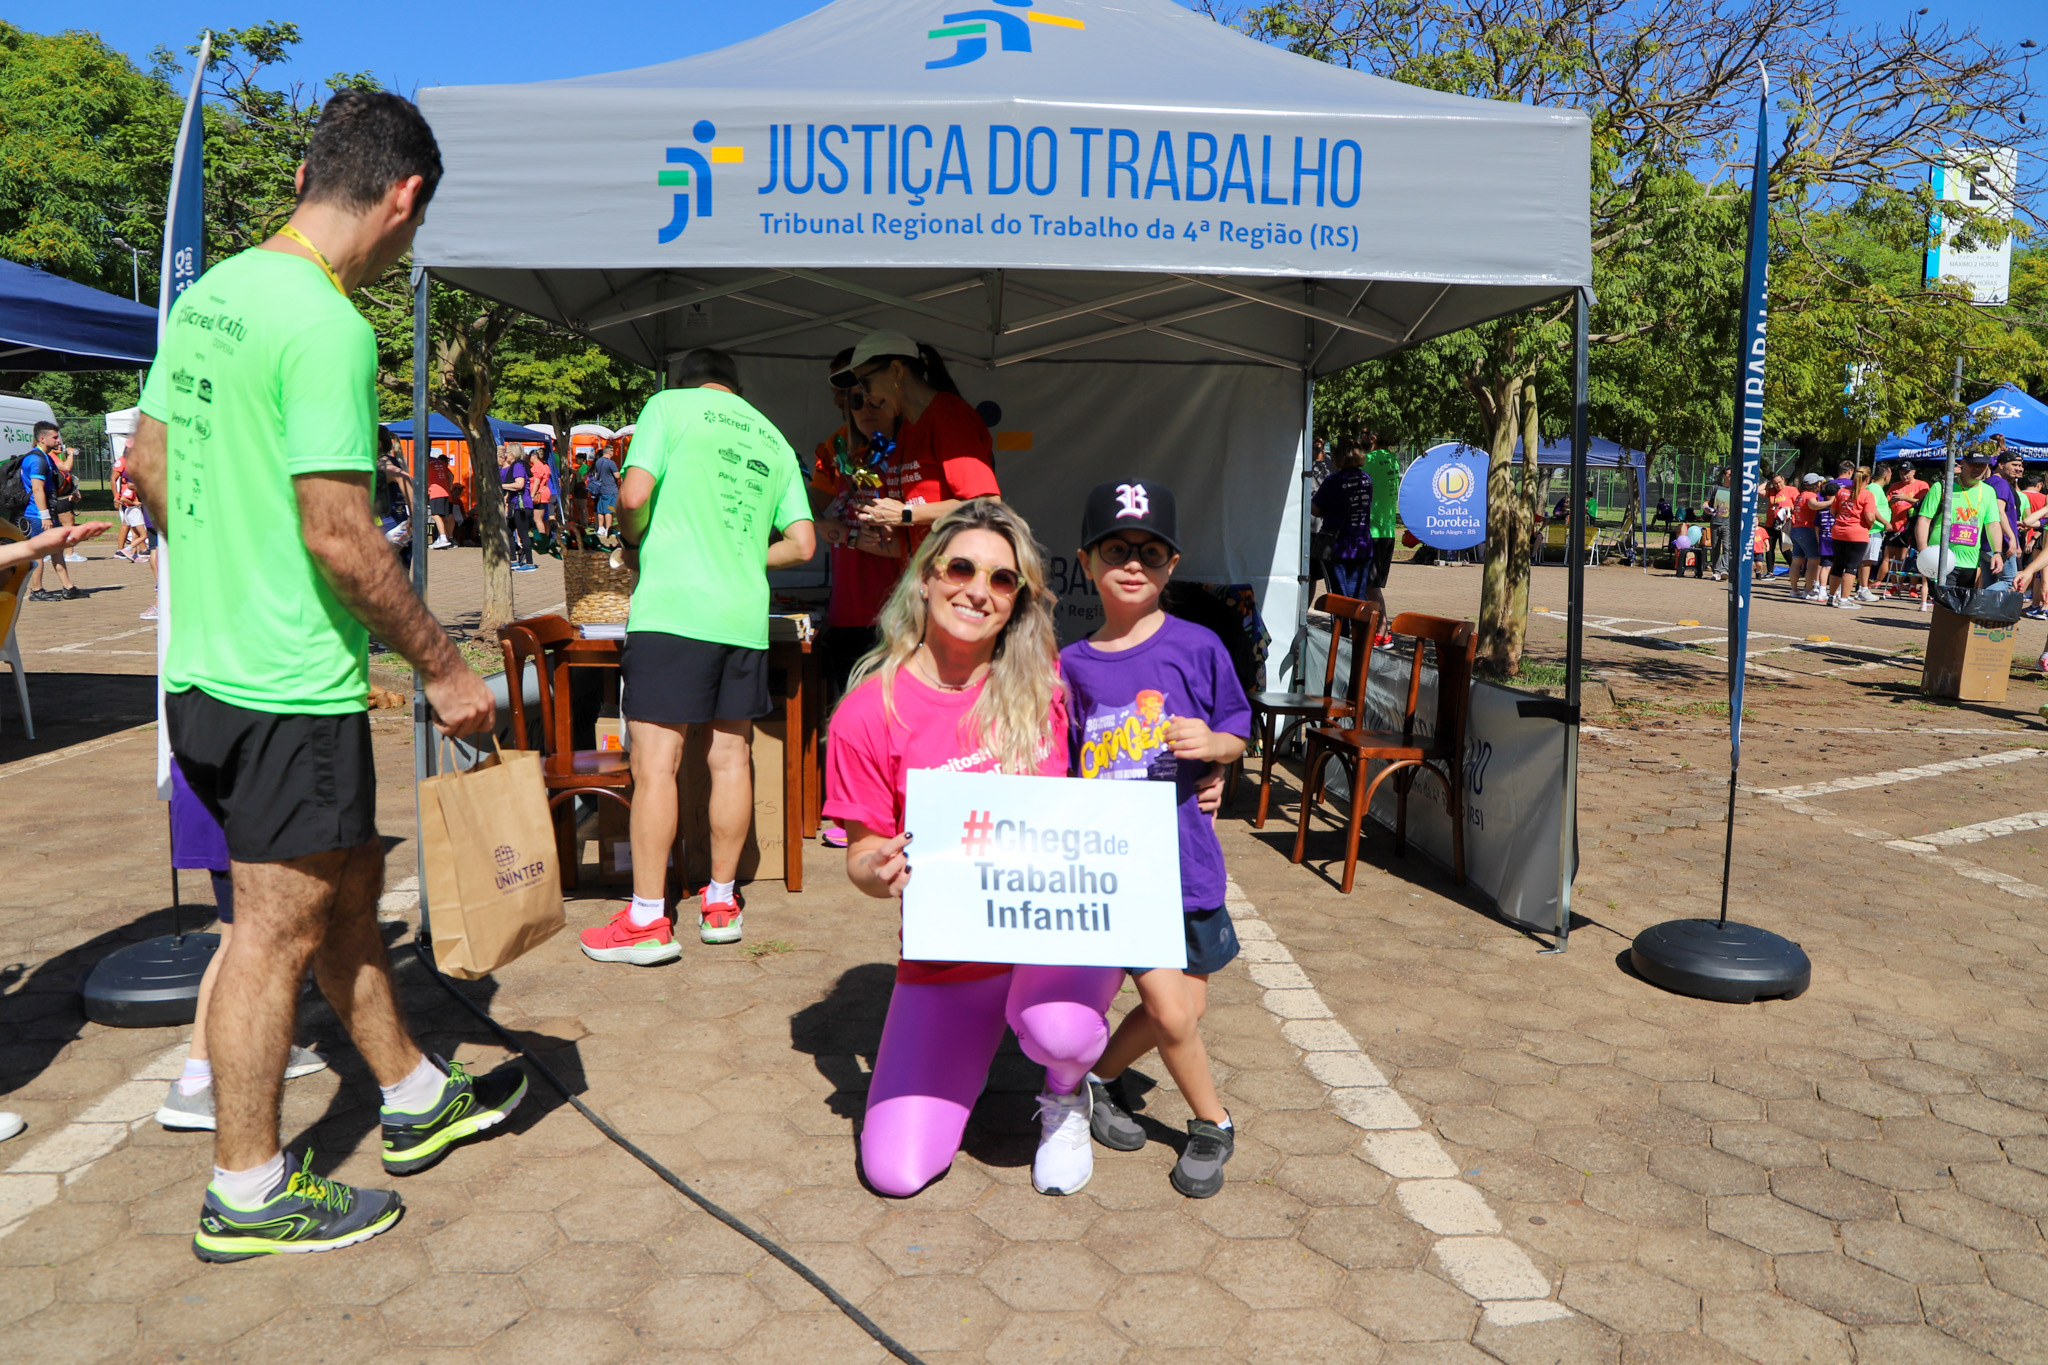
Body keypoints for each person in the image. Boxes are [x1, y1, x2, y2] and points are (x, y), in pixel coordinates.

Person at [126, 88, 517, 1265]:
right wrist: (444, 667)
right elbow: (341, 536)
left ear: (307, 174)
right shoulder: (329, 325)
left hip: (205, 672)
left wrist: (227, 568)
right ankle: (246, 1190)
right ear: (405, 196)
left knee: (345, 890)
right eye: (417, 222)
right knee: (272, 932)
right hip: (286, 686)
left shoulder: (213, 295)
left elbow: (147, 465)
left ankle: (410, 1093)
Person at [825, 498, 1124, 1197]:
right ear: (926, 577)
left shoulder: (1048, 688)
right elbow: (861, 855)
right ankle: (974, 1050)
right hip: (948, 956)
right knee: (895, 1172)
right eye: (961, 568)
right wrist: (875, 870)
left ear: (1017, 600)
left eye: (1002, 579)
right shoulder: (868, 710)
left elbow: (1132, 753)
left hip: (1053, 938)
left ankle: (1064, 1094)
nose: (978, 590)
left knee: (1061, 1032)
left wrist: (1206, 772)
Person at [577, 348, 816, 962]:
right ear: (735, 388)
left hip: (674, 610)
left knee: (656, 763)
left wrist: (635, 540)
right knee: (731, 759)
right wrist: (744, 557)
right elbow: (802, 543)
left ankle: (647, 920)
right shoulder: (773, 436)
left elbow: (634, 496)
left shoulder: (668, 405)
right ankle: (721, 904)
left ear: (684, 381)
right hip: (742, 616)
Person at [1060, 480, 1251, 1199]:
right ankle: (1213, 1123)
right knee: (1171, 1011)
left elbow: (1236, 730)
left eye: (1150, 550)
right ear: (1086, 562)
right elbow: (1059, 766)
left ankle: (1097, 1079)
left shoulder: (1199, 646)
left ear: (1173, 563)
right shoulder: (1071, 665)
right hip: (1123, 875)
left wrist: (1217, 750)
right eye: (1116, 549)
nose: (1133, 563)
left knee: (1186, 1011)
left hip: (1190, 864)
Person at [154, 765, 330, 1130]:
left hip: (242, 805)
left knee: (271, 938)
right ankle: (195, 1083)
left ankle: (264, 1048)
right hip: (235, 808)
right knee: (240, 943)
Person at [834, 329, 1001, 550]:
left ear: (896, 370)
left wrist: (905, 514)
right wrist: (884, 522)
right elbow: (916, 512)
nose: (866, 398)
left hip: (956, 565)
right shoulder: (907, 428)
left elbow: (986, 504)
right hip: (924, 567)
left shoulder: (949, 416)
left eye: (865, 384)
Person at [1914, 447, 2007, 601]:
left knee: (1962, 607)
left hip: (1970, 562)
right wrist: (1923, 551)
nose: (1978, 469)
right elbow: (1924, 519)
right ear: (1963, 463)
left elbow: (1993, 524)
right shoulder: (1942, 487)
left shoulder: (1989, 491)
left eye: (1982, 465)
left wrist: (1997, 552)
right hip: (1942, 560)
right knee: (1945, 605)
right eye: (1973, 464)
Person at [21, 421, 83, 601]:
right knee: (39, 553)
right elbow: (37, 489)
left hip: (48, 511)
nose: (58, 441)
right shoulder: (36, 460)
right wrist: (44, 516)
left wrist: (73, 490)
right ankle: (37, 590)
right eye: (55, 437)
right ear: (42, 438)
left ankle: (68, 587)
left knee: (57, 549)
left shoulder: (46, 457)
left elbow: (59, 476)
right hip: (37, 515)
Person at [1312, 443, 1376, 601]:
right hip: (1362, 544)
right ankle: (1358, 618)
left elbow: (1314, 509)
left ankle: (1343, 619)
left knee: (1339, 598)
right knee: (1357, 597)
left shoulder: (1334, 480)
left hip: (1338, 546)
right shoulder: (1366, 479)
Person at [1359, 433, 1403, 630]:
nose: (1361, 436)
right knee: (1372, 586)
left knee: (1370, 587)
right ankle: (1377, 630)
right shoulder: (1392, 459)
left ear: (1373, 437)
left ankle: (1382, 631)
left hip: (1373, 532)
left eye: (1364, 432)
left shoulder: (1368, 460)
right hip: (1388, 532)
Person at [1823, 466, 1879, 609]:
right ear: (1868, 479)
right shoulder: (1867, 495)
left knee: (1838, 564)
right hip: (1857, 533)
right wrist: (1868, 525)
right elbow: (1869, 516)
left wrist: (1843, 520)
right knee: (1851, 567)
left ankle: (1832, 596)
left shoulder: (1842, 491)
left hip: (1839, 531)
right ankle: (1844, 599)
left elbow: (1833, 510)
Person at [1786, 472, 1825, 599]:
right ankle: (1808, 591)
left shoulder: (1800, 495)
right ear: (1815, 484)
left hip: (1796, 529)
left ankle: (1794, 590)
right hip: (1807, 530)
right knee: (1814, 561)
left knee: (1796, 560)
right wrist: (1831, 502)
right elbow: (1814, 505)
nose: (1821, 484)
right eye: (1819, 482)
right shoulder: (1810, 495)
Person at [497, 446, 534, 572]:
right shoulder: (516, 466)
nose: (505, 455)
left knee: (523, 533)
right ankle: (513, 560)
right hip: (515, 503)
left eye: (507, 452)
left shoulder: (518, 465)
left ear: (513, 453)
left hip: (522, 504)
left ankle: (530, 563)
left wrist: (500, 485)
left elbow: (519, 484)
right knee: (508, 530)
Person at [114, 449, 149, 561]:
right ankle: (127, 549)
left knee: (135, 534)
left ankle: (135, 555)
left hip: (131, 511)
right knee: (143, 535)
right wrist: (135, 503)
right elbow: (124, 498)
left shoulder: (129, 487)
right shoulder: (130, 488)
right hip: (133, 511)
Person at [588, 441, 620, 544]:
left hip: (601, 489)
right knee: (609, 510)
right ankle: (608, 528)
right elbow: (617, 476)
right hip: (611, 489)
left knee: (600, 509)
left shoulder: (598, 462)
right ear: (610, 452)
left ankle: (600, 527)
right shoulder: (611, 463)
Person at [426, 447, 456, 549]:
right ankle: (444, 537)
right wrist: (449, 487)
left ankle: (443, 538)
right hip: (445, 491)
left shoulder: (425, 462)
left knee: (435, 515)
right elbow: (451, 475)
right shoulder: (439, 463)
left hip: (435, 491)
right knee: (443, 516)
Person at [529, 448, 554, 552]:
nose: (529, 458)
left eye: (530, 456)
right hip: (545, 492)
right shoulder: (545, 466)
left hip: (539, 495)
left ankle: (542, 542)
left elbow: (536, 483)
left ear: (534, 456)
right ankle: (545, 538)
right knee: (544, 518)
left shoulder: (537, 467)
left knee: (537, 519)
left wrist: (532, 495)